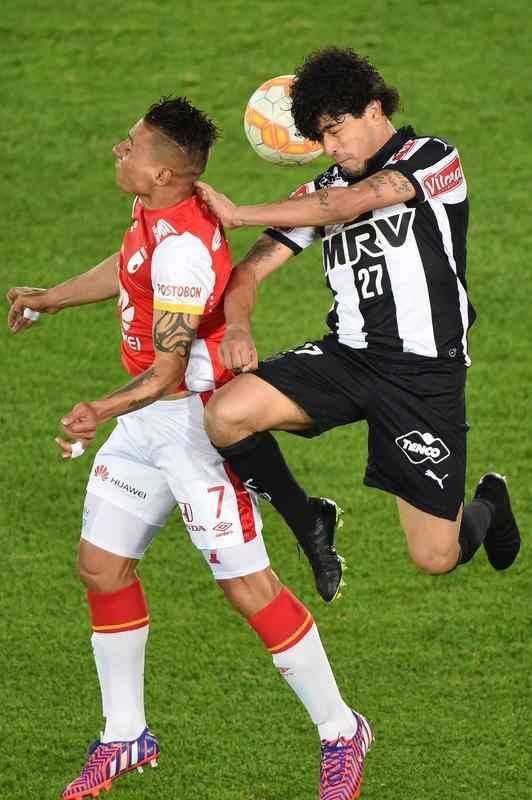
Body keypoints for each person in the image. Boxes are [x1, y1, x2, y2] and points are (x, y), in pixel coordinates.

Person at [7, 95, 371, 800]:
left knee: (248, 589)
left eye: (132, 146)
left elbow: (168, 369)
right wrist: (51, 297)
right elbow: (127, 266)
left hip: (191, 426)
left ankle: (341, 729)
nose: (119, 150)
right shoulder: (154, 218)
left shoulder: (182, 247)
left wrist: (97, 411)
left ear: (167, 173)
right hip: (148, 423)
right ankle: (126, 736)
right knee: (101, 567)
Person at [196, 47, 521, 595]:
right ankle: (310, 520)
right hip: (347, 359)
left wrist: (239, 213)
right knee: (226, 415)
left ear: (373, 108)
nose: (328, 148)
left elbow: (354, 203)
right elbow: (248, 272)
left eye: (333, 130)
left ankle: (488, 501)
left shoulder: (432, 159)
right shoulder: (321, 192)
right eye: (318, 138)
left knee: (435, 555)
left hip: (423, 376)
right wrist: (240, 327)